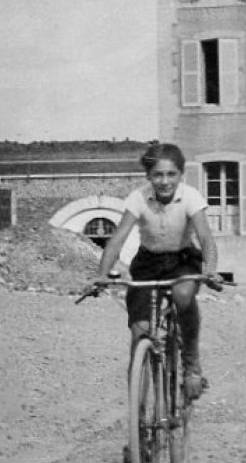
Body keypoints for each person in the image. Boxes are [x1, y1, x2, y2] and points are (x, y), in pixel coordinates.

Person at [96, 141, 224, 399]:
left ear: (180, 174)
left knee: (183, 295)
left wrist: (210, 270)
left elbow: (206, 239)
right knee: (140, 331)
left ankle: (191, 364)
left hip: (182, 260)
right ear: (148, 176)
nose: (164, 181)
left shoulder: (190, 197)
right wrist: (101, 274)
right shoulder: (138, 198)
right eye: (157, 175)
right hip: (148, 263)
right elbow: (118, 238)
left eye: (171, 174)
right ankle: (138, 417)